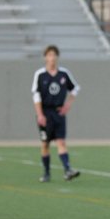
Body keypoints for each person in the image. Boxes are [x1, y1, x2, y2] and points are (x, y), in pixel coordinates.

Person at [31, 45, 81, 182]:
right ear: (45, 57)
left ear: (57, 57)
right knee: (45, 143)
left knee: (61, 142)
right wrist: (40, 114)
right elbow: (36, 95)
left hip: (58, 113)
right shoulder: (40, 74)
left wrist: (67, 105)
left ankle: (67, 169)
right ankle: (46, 173)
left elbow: (75, 88)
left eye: (54, 55)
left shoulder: (63, 74)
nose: (52, 58)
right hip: (45, 112)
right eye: (49, 55)